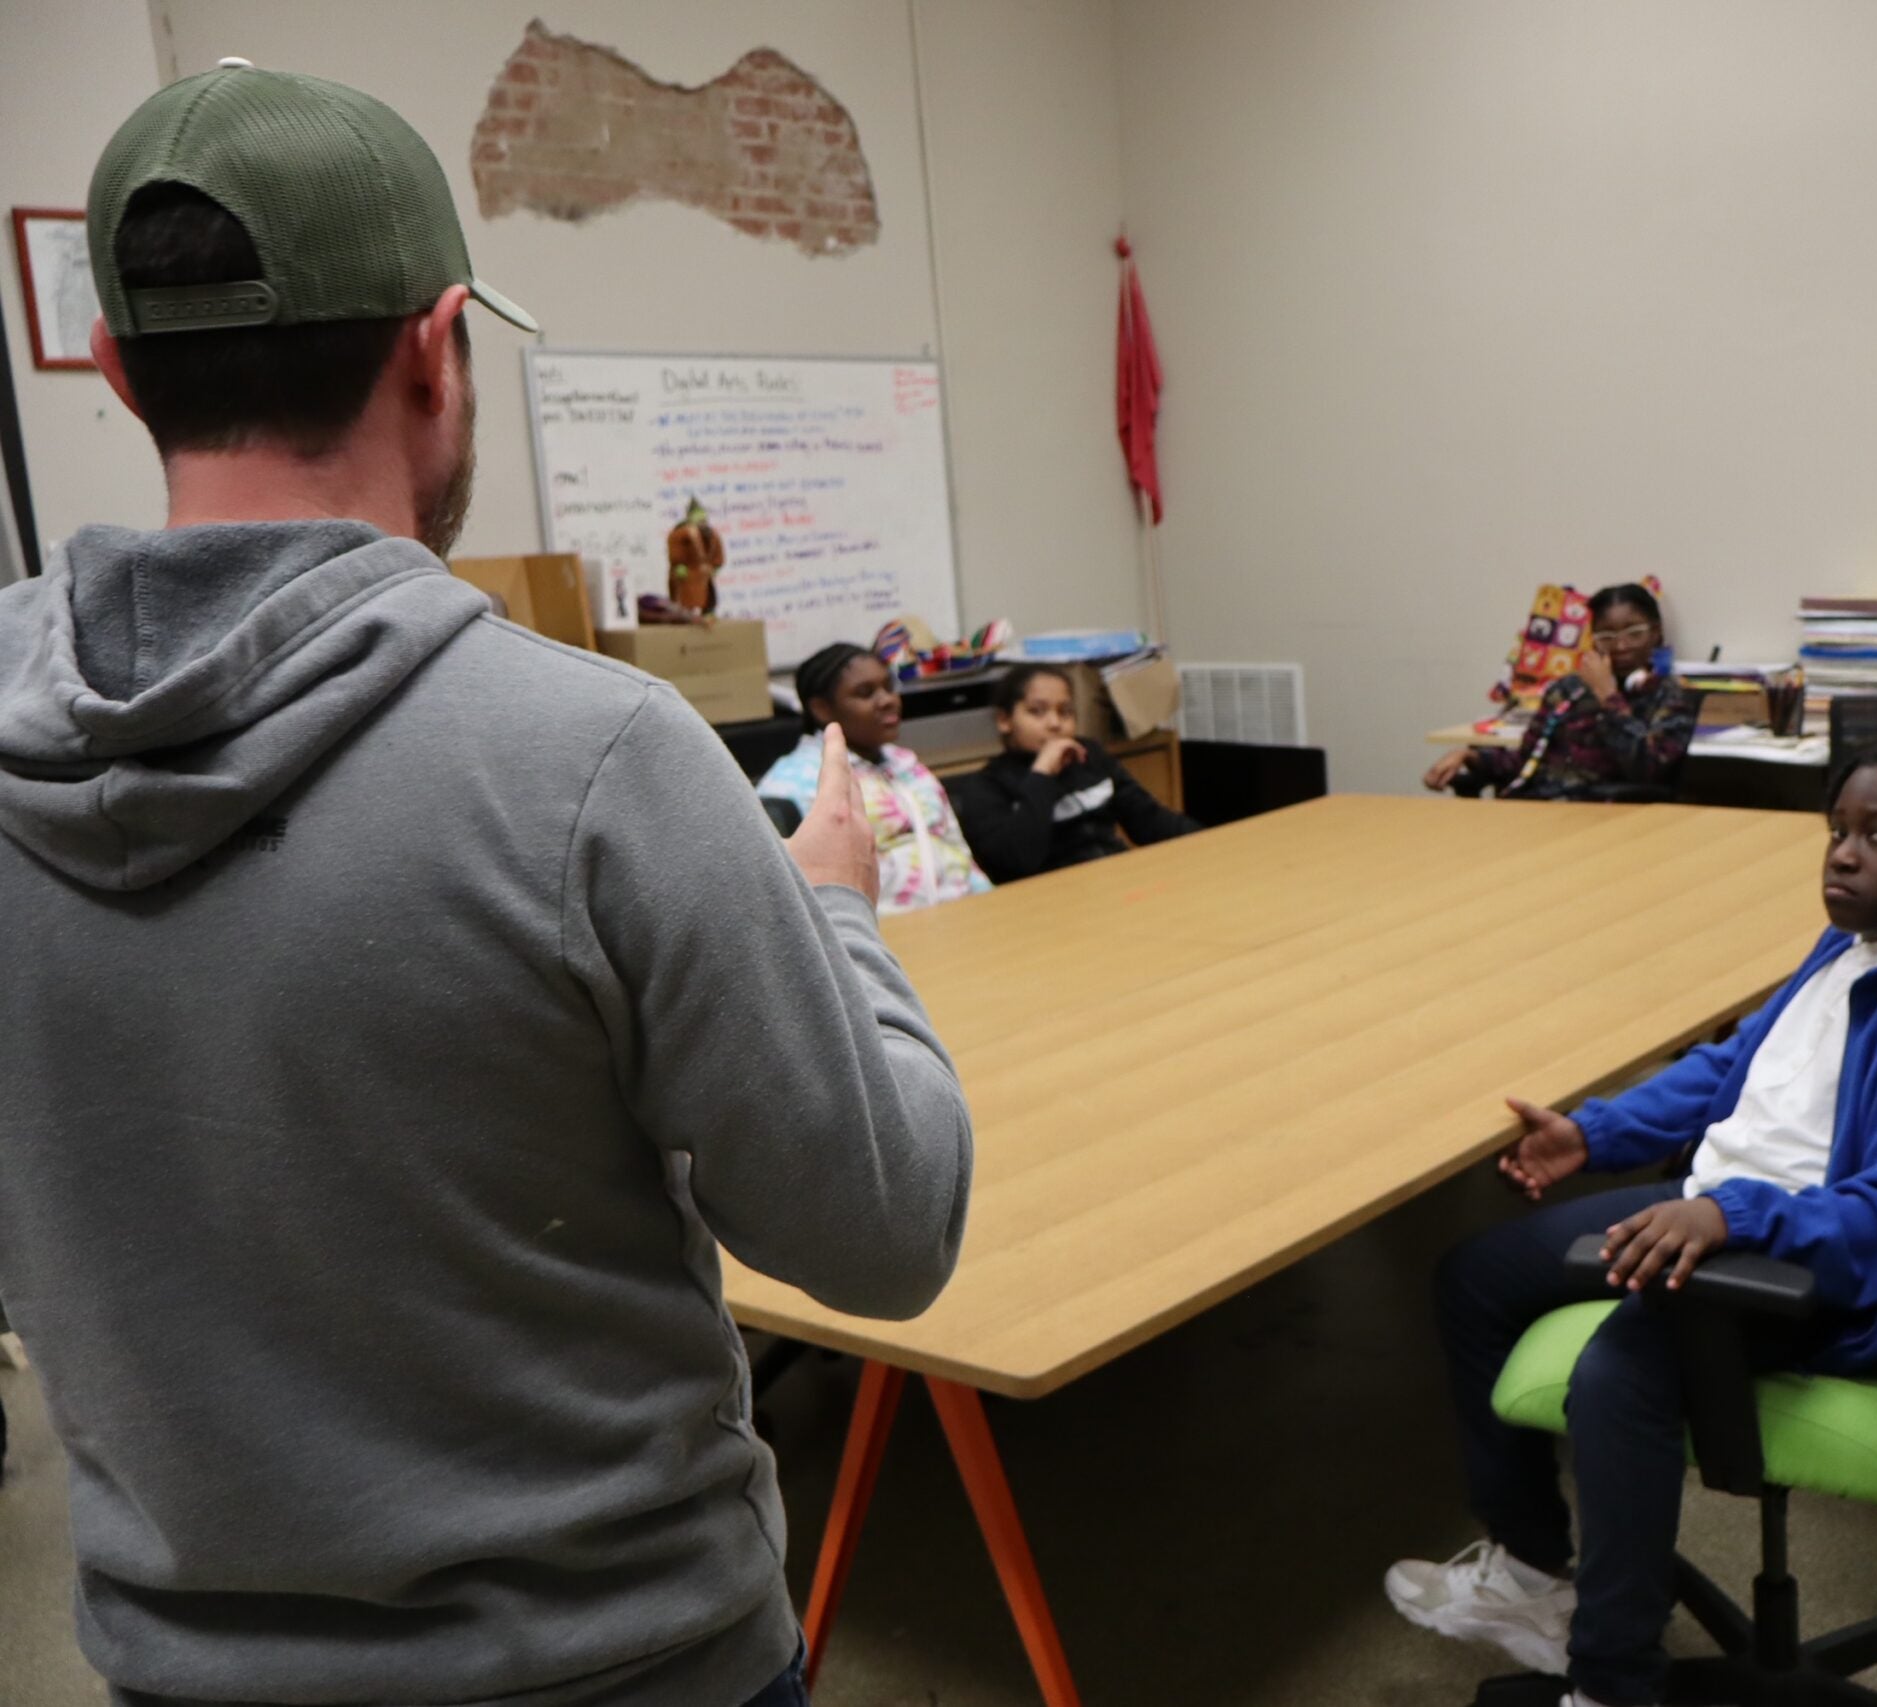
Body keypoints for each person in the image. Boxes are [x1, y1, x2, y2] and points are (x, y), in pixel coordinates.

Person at [0, 65, 971, 1707]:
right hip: (626, 1666)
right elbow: (885, 1232)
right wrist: (832, 902)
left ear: (114, 367)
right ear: (439, 348)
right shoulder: (593, 756)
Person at [1384, 745, 1877, 1707]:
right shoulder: (1854, 945)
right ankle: (1535, 1575)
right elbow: (1731, 1072)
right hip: (1723, 1206)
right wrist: (1590, 1133)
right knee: (1474, 1276)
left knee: (1615, 1374)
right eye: (1837, 832)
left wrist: (1728, 1211)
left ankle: (1611, 1681)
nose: (1843, 856)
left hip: (1796, 1256)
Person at [761, 642, 993, 914]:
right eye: (865, 693)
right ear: (822, 709)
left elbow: (954, 847)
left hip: (961, 915)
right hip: (878, 938)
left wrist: (991, 905)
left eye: (888, 687)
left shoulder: (906, 764)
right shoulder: (794, 782)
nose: (888, 700)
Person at [1425, 584, 1698, 801]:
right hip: (1537, 812)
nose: (1621, 646)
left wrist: (1608, 698)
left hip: (1605, 820)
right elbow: (1529, 760)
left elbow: (1648, 768)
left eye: (1634, 633)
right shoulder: (1569, 690)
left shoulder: (1672, 696)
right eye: (1606, 637)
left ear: (1656, 634)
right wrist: (1470, 756)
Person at [948, 663, 1200, 881]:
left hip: (1116, 880)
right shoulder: (986, 786)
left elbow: (1151, 823)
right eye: (1037, 711)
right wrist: (1042, 774)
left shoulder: (1090, 756)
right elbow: (1017, 861)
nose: (1055, 723)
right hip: (1048, 902)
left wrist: (1211, 841)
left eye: (1065, 712)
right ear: (1004, 720)